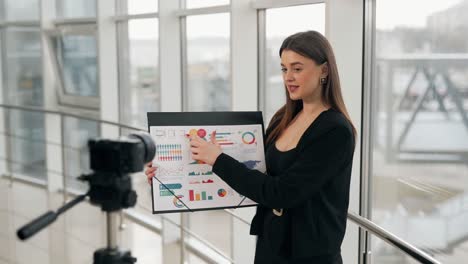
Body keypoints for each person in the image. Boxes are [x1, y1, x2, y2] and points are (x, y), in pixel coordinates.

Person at [146, 30, 356, 264]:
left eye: (297, 68)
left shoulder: (335, 131)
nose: (289, 77)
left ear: (324, 70)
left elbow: (281, 193)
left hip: (310, 256)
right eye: (284, 69)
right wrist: (168, 173)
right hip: (271, 246)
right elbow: (253, 176)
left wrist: (218, 159)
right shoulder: (283, 118)